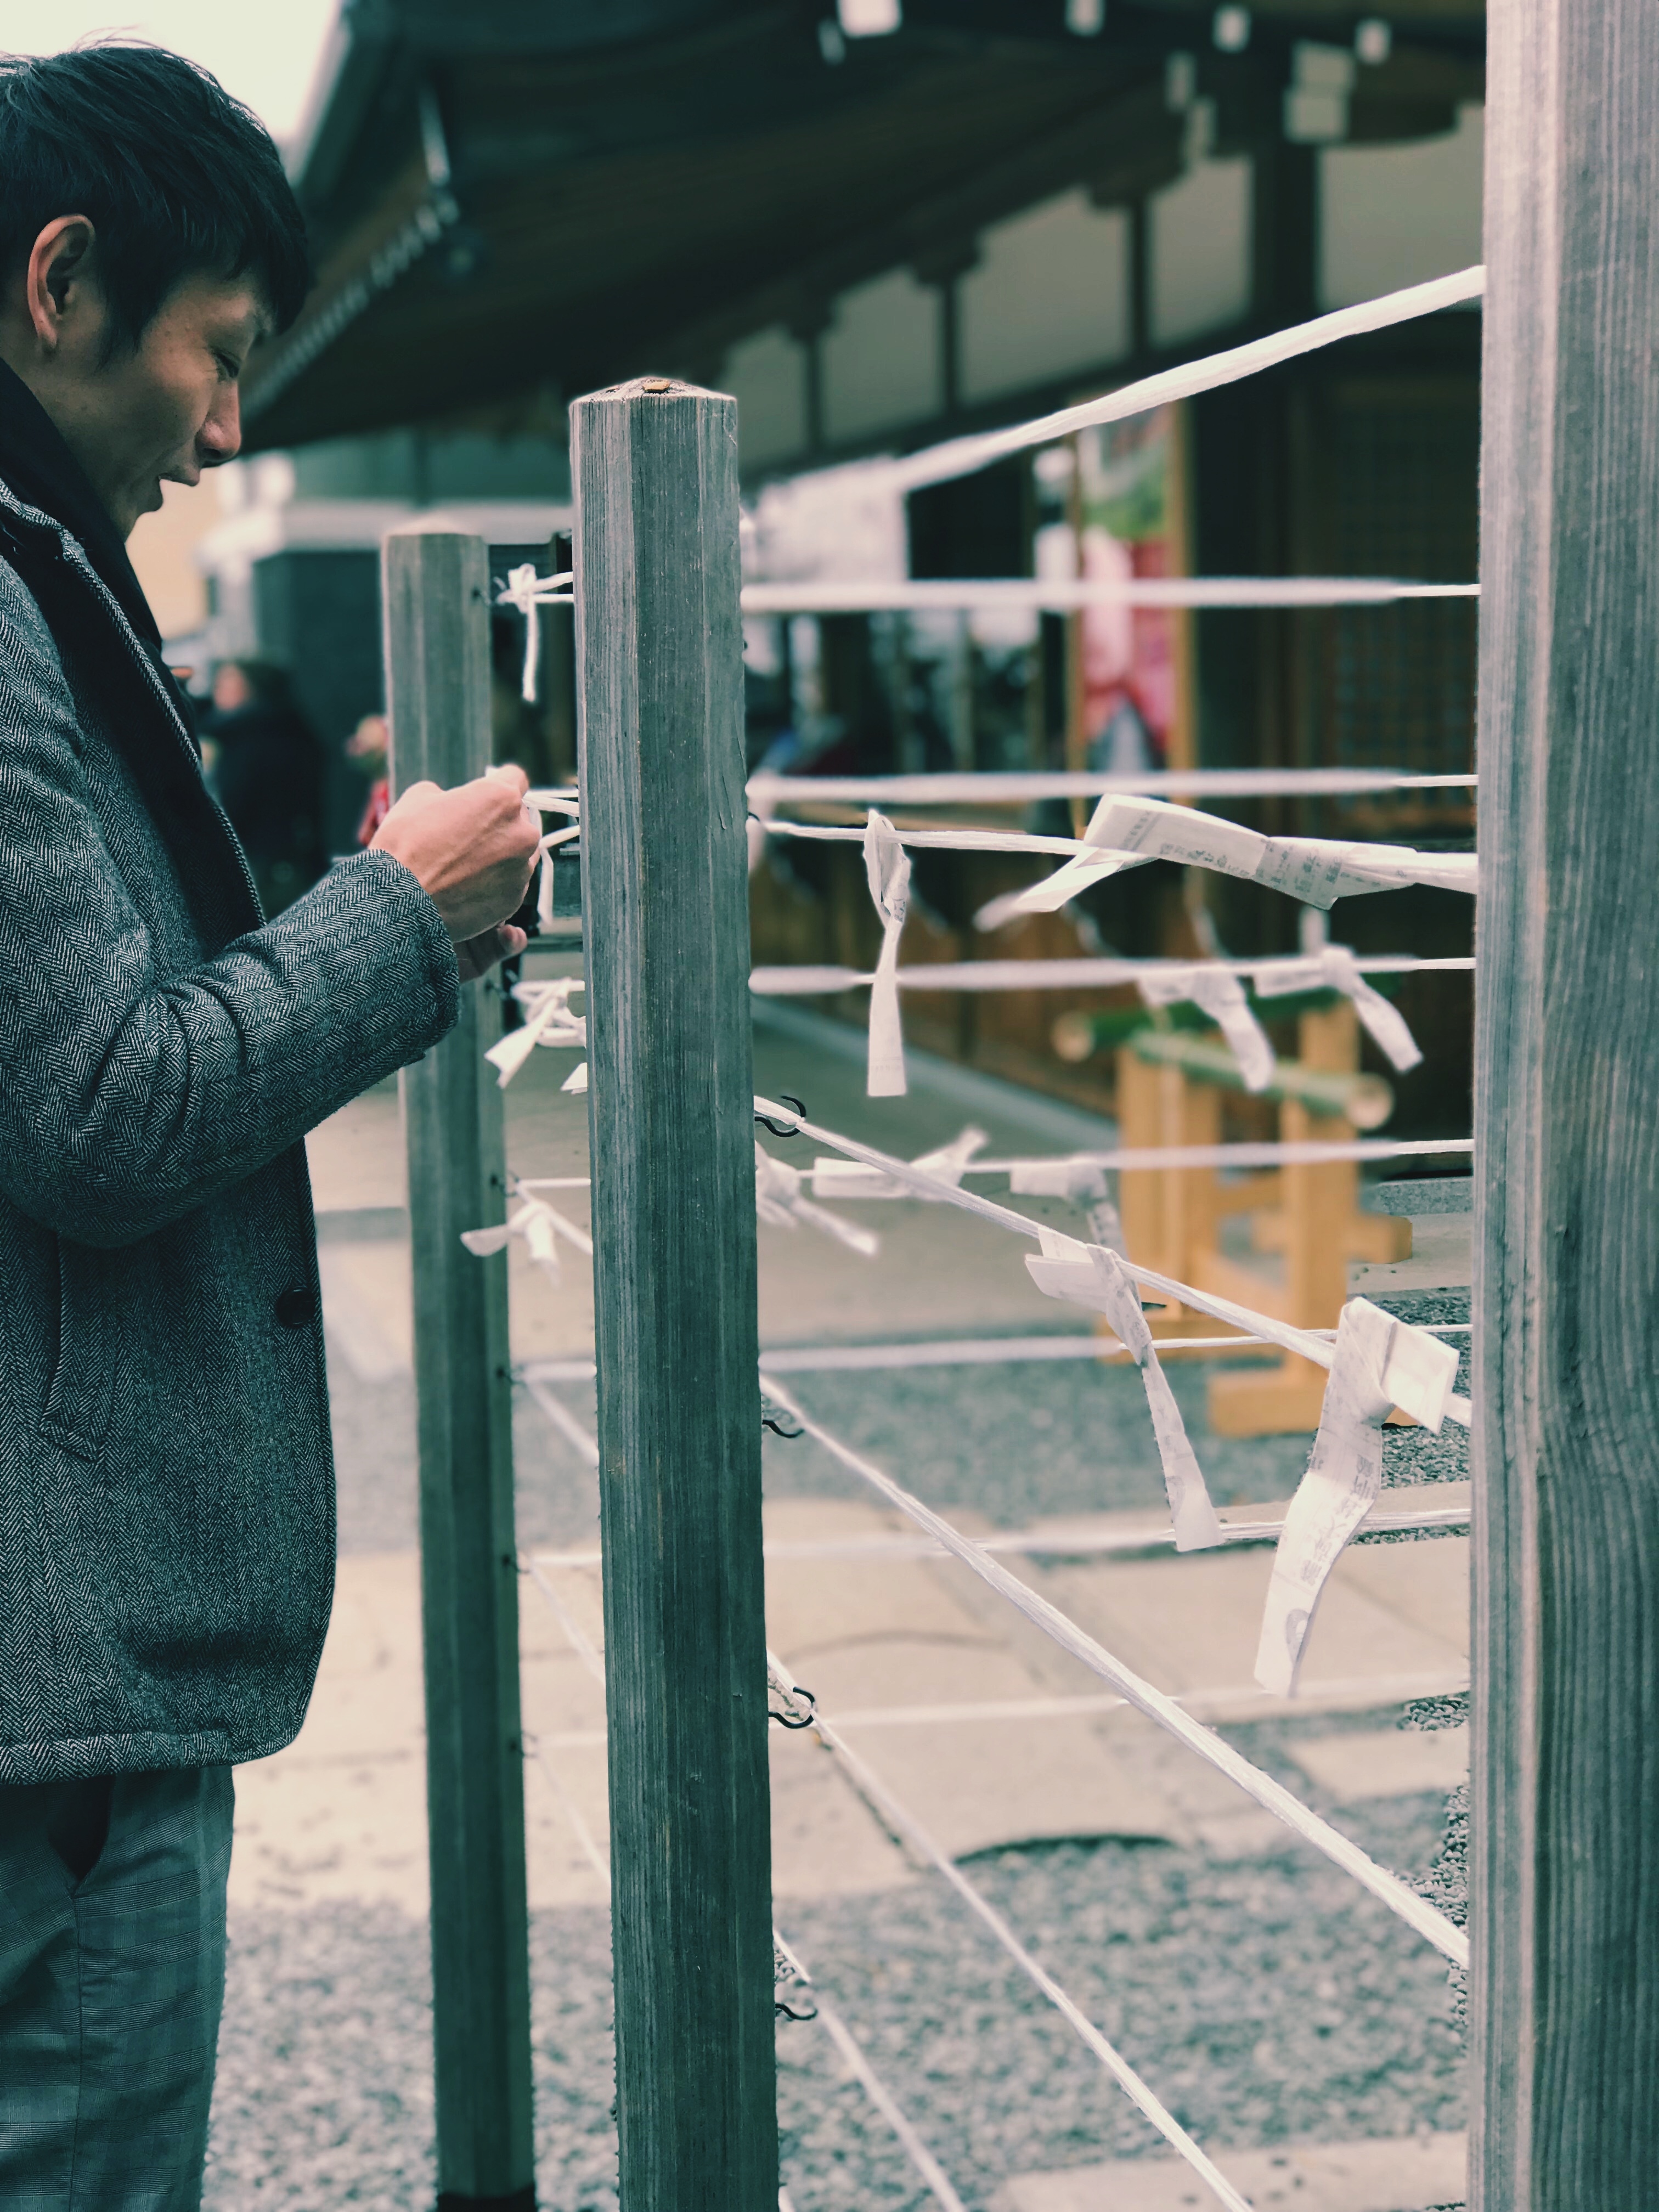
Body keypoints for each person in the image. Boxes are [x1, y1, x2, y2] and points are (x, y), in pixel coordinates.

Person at [0, 41, 542, 2209]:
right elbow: (100, 1106)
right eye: (219, 354)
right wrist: (399, 922)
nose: (231, 430)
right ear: (62, 284)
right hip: (44, 1700)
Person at [202, 656, 327, 913]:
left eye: (229, 681)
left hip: (267, 865)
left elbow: (239, 806)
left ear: (253, 688)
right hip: (264, 861)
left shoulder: (262, 739)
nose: (218, 688)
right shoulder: (242, 734)